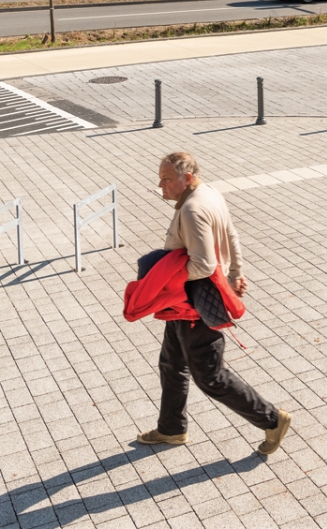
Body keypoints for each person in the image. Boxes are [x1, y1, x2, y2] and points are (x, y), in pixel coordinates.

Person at [137, 151, 292, 455]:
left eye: (167, 179)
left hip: (196, 305)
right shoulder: (209, 192)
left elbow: (204, 265)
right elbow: (231, 235)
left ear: (187, 179)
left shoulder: (192, 210)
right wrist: (235, 273)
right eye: (160, 177)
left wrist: (165, 279)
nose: (160, 184)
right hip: (185, 305)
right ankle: (171, 429)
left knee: (210, 377)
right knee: (171, 363)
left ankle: (272, 420)